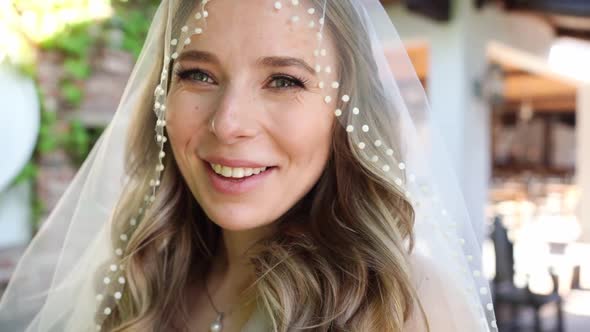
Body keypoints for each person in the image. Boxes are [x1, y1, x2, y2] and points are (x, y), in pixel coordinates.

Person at [0, 0, 497, 331]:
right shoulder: (138, 281)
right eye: (198, 74)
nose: (228, 122)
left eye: (283, 80)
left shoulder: (405, 308)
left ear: (347, 114)